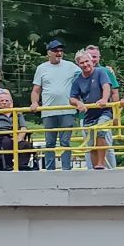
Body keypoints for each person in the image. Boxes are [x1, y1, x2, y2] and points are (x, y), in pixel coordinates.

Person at [31, 40, 80, 171]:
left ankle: (66, 169)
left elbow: (87, 72)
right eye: (55, 51)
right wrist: (35, 102)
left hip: (67, 110)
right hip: (48, 111)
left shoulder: (71, 66)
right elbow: (36, 89)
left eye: (60, 51)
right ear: (49, 53)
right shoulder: (41, 68)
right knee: (49, 143)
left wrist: (104, 70)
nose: (59, 53)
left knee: (65, 142)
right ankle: (50, 169)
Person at [69, 51, 114, 170]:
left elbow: (106, 86)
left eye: (87, 61)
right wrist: (78, 103)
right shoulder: (78, 79)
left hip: (104, 111)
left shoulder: (100, 72)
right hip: (88, 114)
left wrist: (104, 99)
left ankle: (101, 163)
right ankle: (96, 168)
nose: (85, 64)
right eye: (82, 63)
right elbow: (72, 97)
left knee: (100, 131)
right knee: (91, 143)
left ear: (92, 62)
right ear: (78, 65)